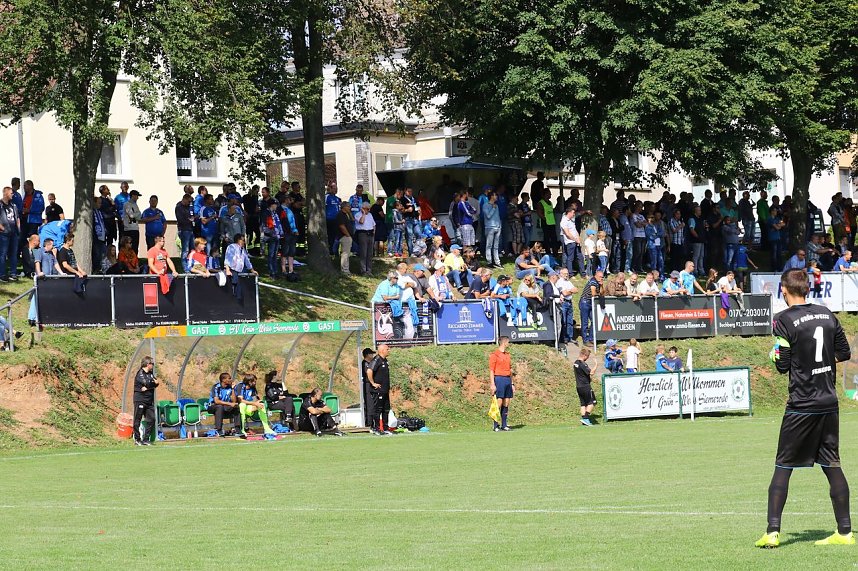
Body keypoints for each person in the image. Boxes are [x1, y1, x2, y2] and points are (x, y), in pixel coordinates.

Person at [756, 268, 853, 548]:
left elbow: (782, 365)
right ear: (808, 289)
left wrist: (775, 356)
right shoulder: (827, 314)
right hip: (828, 402)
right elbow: (844, 352)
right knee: (832, 465)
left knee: (783, 466)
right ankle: (845, 532)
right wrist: (818, 361)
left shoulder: (783, 320)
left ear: (784, 290)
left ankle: (772, 532)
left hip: (802, 404)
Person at [489, 335, 514, 432]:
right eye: (508, 342)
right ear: (504, 343)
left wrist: (512, 383)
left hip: (507, 379)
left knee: (506, 402)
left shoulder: (508, 355)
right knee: (498, 402)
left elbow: (510, 370)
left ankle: (504, 424)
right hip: (499, 379)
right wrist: (492, 384)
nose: (509, 344)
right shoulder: (494, 355)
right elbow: (491, 370)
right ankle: (495, 425)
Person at [132, 356, 159, 445]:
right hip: (140, 400)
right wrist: (151, 384)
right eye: (152, 364)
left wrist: (148, 387)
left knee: (152, 419)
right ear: (148, 364)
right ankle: (137, 439)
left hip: (149, 401)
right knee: (137, 419)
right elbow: (147, 383)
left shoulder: (150, 374)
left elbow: (156, 383)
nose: (153, 365)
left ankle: (146, 439)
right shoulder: (140, 373)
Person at [0, 186, 21, 282]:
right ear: (6, 193)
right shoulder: (0, 205)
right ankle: (2, 274)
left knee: (14, 253)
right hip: (4, 233)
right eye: (11, 193)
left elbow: (17, 217)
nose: (13, 194)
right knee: (3, 254)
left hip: (14, 233)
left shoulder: (13, 205)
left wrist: (18, 229)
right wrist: (2, 228)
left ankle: (13, 273)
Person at [574, 347, 597, 426]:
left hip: (579, 386)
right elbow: (591, 373)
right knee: (593, 402)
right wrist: (596, 364)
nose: (588, 358)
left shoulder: (576, 362)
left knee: (583, 404)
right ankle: (586, 418)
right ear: (584, 355)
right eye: (588, 356)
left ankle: (584, 420)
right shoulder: (582, 364)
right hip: (585, 386)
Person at [559, 205, 585, 276]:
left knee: (580, 257)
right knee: (570, 258)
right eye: (573, 213)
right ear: (569, 212)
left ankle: (583, 273)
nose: (574, 214)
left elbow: (575, 230)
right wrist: (575, 239)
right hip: (570, 242)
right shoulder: (564, 221)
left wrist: (578, 239)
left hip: (576, 241)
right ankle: (570, 273)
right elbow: (567, 233)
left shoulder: (571, 220)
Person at [579, 270, 603, 345]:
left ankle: (591, 338)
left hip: (591, 303)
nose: (601, 278)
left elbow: (602, 293)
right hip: (585, 302)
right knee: (585, 322)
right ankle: (585, 340)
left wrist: (601, 285)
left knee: (594, 320)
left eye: (602, 277)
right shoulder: (593, 281)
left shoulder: (598, 282)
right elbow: (593, 293)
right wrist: (599, 294)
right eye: (600, 277)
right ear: (596, 275)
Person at [355, 201, 376, 276]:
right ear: (363, 208)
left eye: (369, 209)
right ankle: (363, 271)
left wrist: (374, 232)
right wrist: (363, 214)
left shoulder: (370, 215)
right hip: (363, 234)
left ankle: (369, 270)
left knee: (370, 253)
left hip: (370, 234)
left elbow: (374, 224)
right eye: (367, 209)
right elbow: (361, 222)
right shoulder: (358, 215)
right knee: (363, 253)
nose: (369, 210)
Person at [335, 202, 354, 275]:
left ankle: (346, 270)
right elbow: (342, 226)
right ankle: (345, 271)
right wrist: (348, 235)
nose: (350, 208)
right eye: (348, 206)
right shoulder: (340, 215)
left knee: (347, 253)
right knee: (345, 254)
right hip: (344, 236)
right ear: (344, 207)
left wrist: (350, 213)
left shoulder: (346, 215)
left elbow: (353, 220)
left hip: (346, 236)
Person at [175, 193, 195, 263]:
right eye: (188, 201)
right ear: (184, 199)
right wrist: (189, 220)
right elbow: (180, 220)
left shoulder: (189, 207)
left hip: (190, 229)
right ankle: (185, 266)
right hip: (184, 230)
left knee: (192, 249)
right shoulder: (179, 207)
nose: (189, 203)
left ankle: (191, 264)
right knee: (185, 250)